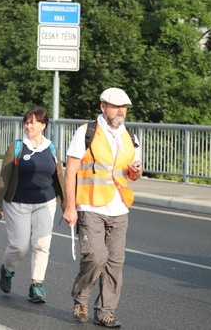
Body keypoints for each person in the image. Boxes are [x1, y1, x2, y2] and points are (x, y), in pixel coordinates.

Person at [63, 88, 142, 328]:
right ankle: (81, 297)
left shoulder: (130, 136)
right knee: (96, 257)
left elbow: (132, 173)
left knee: (115, 262)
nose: (120, 111)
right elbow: (71, 171)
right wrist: (69, 206)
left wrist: (135, 172)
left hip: (119, 207)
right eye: (115, 106)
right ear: (103, 107)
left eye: (124, 107)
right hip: (90, 204)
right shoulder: (86, 132)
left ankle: (105, 312)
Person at [0, 107, 64, 304]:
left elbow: (59, 176)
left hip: (46, 202)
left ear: (43, 125)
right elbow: (4, 179)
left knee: (42, 244)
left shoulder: (51, 148)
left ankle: (37, 284)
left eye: (33, 122)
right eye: (26, 122)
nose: (28, 126)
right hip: (17, 203)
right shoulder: (16, 147)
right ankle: (7, 269)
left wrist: (68, 207)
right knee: (19, 246)